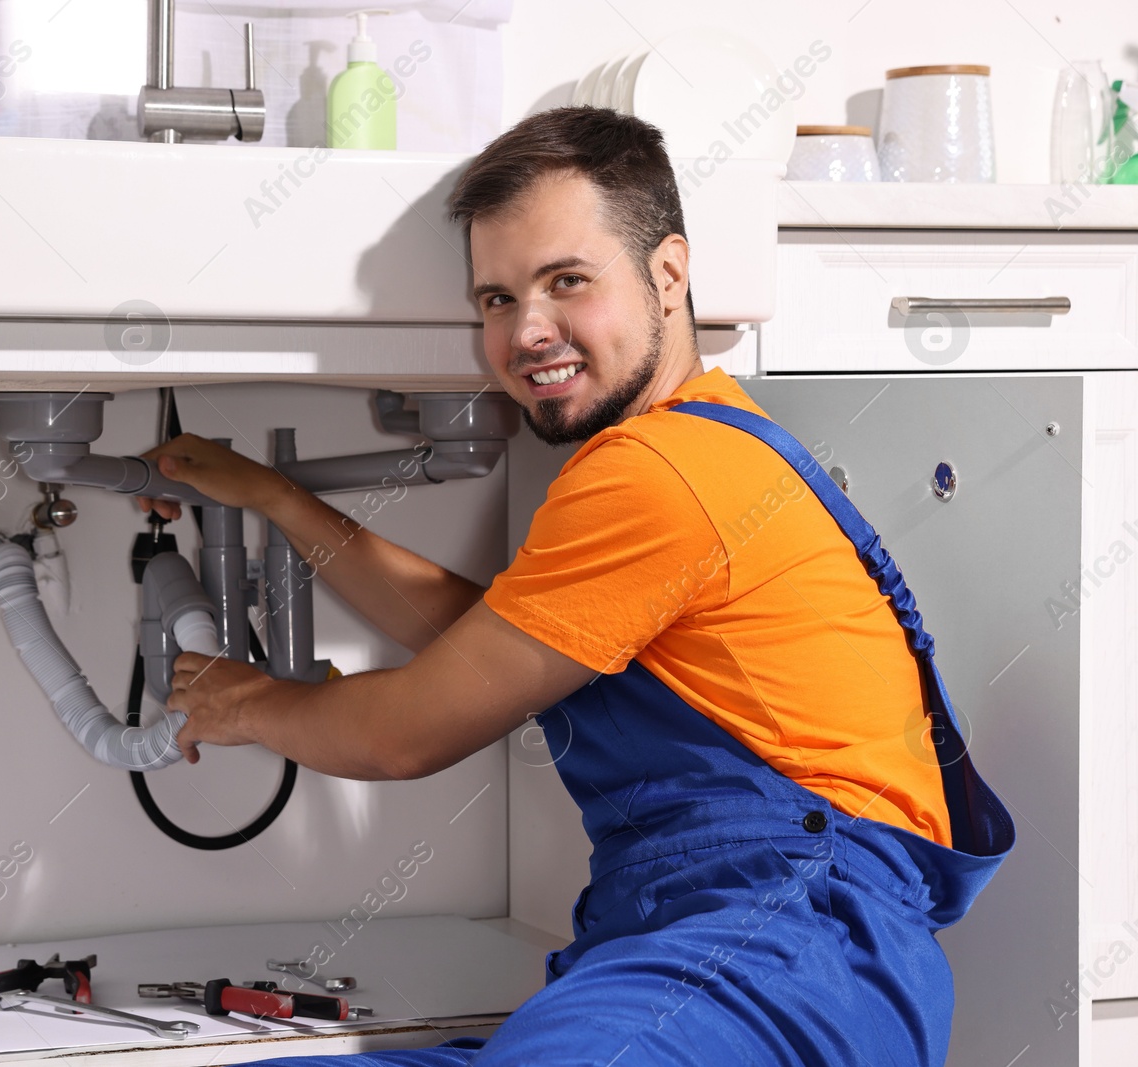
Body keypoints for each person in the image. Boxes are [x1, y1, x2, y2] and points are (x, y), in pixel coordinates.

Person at [136, 107, 1013, 1066]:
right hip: (749, 952)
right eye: (497, 300)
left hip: (783, 949)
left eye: (566, 282)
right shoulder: (709, 438)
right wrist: (278, 499)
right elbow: (485, 643)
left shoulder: (654, 472)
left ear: (668, 273)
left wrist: (249, 701)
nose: (527, 332)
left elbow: (407, 731)